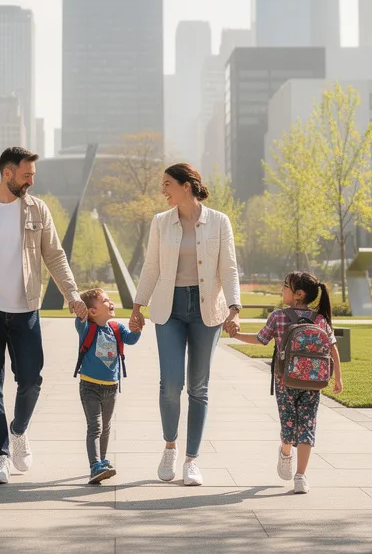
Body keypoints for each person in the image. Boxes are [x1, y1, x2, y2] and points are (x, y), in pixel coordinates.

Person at [0, 147, 87, 485]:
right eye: (27, 175)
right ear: (8, 173)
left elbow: (54, 255)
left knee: (31, 380)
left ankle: (18, 430)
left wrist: (72, 293)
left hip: (25, 309)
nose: (31, 181)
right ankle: (0, 456)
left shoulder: (37, 210)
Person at [129, 163, 241, 487]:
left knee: (198, 388)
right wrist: (137, 307)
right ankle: (170, 446)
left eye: (167, 184)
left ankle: (192, 460)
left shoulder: (219, 222)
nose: (163, 190)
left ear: (186, 186)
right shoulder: (160, 223)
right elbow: (151, 267)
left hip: (208, 310)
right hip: (170, 309)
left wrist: (234, 308)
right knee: (170, 385)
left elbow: (229, 269)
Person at [227, 271, 343, 494]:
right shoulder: (319, 319)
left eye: (285, 286)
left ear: (298, 294)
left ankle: (286, 452)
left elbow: (260, 340)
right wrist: (337, 377)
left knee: (288, 424)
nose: (281, 289)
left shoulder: (278, 316)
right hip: (313, 382)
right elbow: (332, 347)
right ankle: (301, 476)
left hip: (285, 382)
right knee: (308, 426)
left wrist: (236, 336)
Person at [74, 287, 141, 484]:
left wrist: (136, 329)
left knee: (105, 427)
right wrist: (80, 309)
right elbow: (80, 320)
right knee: (94, 427)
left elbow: (131, 339)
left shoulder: (116, 328)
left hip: (112, 387)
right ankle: (95, 465)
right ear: (92, 311)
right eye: (105, 300)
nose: (110, 302)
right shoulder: (86, 328)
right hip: (90, 386)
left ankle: (101, 462)